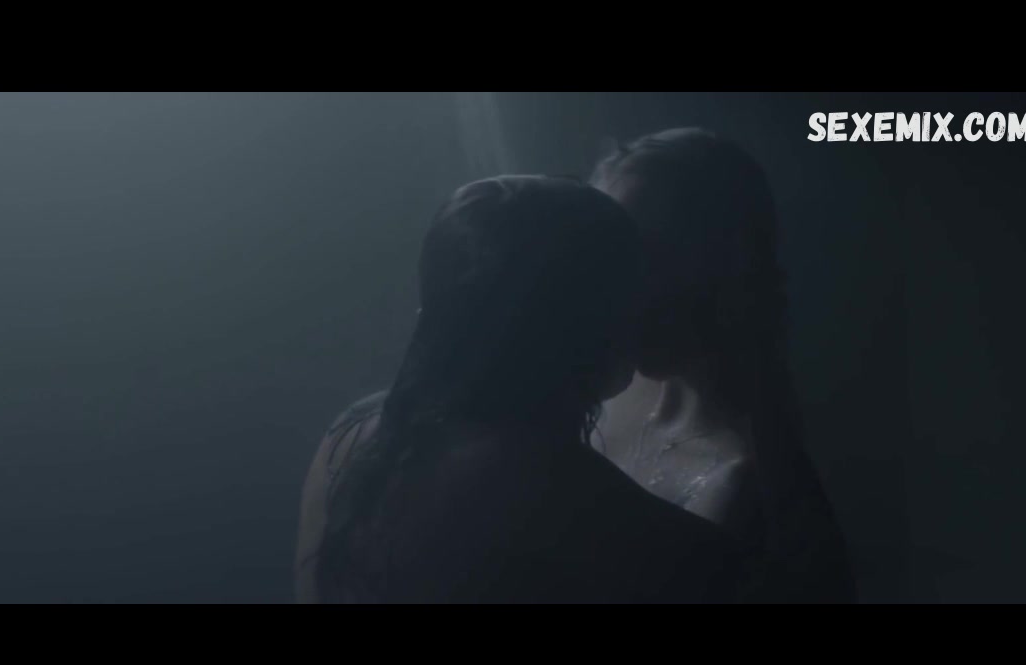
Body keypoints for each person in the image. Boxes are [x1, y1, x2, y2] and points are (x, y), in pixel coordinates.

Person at [295, 175, 750, 603]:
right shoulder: (543, 480)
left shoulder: (349, 436)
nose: (646, 308)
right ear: (571, 323)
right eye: (628, 288)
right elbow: (720, 572)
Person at [589, 128, 856, 602]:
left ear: (729, 263)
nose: (621, 289)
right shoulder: (600, 391)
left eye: (654, 253)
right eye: (611, 256)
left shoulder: (748, 481)